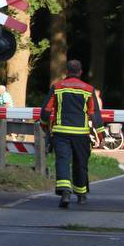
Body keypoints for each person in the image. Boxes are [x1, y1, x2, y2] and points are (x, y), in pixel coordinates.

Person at [41, 59, 102, 208]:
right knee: (80, 163)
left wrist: (44, 125)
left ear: (66, 72)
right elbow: (94, 113)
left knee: (62, 160)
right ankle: (81, 195)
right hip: (81, 134)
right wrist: (100, 134)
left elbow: (46, 110)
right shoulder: (88, 89)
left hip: (61, 132)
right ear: (80, 72)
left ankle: (65, 192)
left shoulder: (57, 87)